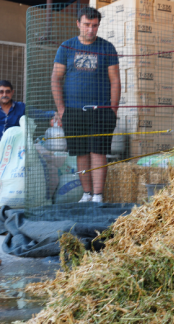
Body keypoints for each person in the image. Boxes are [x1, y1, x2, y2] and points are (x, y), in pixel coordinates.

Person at [51, 7, 121, 203]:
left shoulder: (107, 48)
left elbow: (115, 80)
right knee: (80, 153)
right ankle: (86, 193)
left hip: (101, 110)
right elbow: (56, 78)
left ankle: (98, 196)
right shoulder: (66, 47)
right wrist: (62, 110)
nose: (91, 29)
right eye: (87, 25)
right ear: (78, 24)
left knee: (98, 152)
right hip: (73, 111)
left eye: (95, 25)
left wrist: (113, 110)